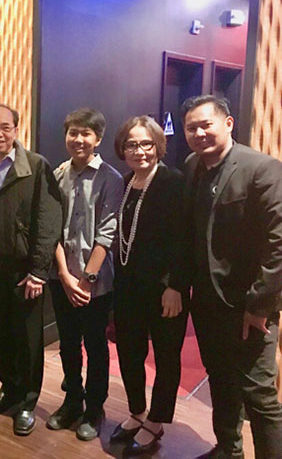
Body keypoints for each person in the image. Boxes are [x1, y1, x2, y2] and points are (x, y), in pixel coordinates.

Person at [178, 95, 282, 459]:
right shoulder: (192, 165)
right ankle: (228, 449)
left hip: (249, 306)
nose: (199, 133)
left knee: (259, 395)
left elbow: (278, 244)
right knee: (220, 379)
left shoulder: (262, 168)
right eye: (191, 128)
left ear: (228, 123)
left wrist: (260, 306)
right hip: (207, 302)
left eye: (206, 125)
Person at [0, 104, 62, 436]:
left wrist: (38, 271)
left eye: (5, 127)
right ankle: (8, 388)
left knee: (28, 338)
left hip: (26, 269)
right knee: (1, 332)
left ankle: (27, 401)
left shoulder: (35, 166)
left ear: (16, 130)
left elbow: (48, 221)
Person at [109, 116, 188, 456]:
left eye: (146, 144)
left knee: (166, 356)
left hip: (165, 289)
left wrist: (175, 286)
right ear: (122, 149)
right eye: (131, 144)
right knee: (129, 351)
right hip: (128, 286)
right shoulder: (126, 182)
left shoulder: (174, 182)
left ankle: (156, 421)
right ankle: (137, 412)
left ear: (158, 146)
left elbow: (185, 239)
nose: (139, 151)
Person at [47, 107, 123, 441]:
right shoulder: (58, 175)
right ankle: (72, 401)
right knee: (67, 343)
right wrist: (65, 276)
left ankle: (95, 408)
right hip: (61, 278)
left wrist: (87, 280)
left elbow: (107, 234)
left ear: (98, 138)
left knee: (95, 345)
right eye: (73, 133)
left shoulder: (111, 179)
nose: (78, 139)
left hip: (96, 283)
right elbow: (51, 229)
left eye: (86, 134)